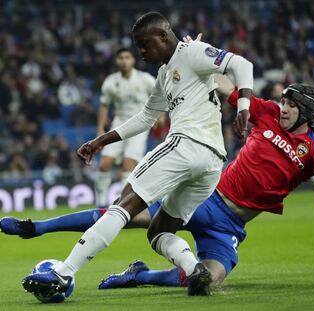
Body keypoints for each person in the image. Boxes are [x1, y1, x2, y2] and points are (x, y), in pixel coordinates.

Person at [4, 77, 314, 291]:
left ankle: (140, 275)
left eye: (290, 105)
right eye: (282, 102)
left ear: (306, 112)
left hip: (232, 226)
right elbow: (223, 83)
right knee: (125, 214)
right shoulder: (264, 112)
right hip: (206, 198)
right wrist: (197, 61)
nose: (282, 108)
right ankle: (38, 227)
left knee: (207, 282)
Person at [21, 11, 253, 297]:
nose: (141, 51)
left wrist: (244, 106)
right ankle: (196, 271)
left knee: (124, 201)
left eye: (145, 44)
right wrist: (100, 141)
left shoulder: (191, 52)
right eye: (137, 45)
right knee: (158, 231)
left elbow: (240, 64)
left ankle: (63, 271)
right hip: (211, 162)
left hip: (187, 144)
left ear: (164, 36)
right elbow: (145, 117)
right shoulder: (165, 73)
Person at [95, 47, 156, 208]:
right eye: (121, 57)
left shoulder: (145, 79)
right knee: (104, 164)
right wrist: (100, 129)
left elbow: (161, 95)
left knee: (129, 165)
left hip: (139, 126)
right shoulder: (110, 82)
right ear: (116, 61)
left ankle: (121, 203)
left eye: (127, 57)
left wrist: (161, 117)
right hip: (119, 124)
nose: (124, 61)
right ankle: (101, 202)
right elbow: (104, 106)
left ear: (133, 60)